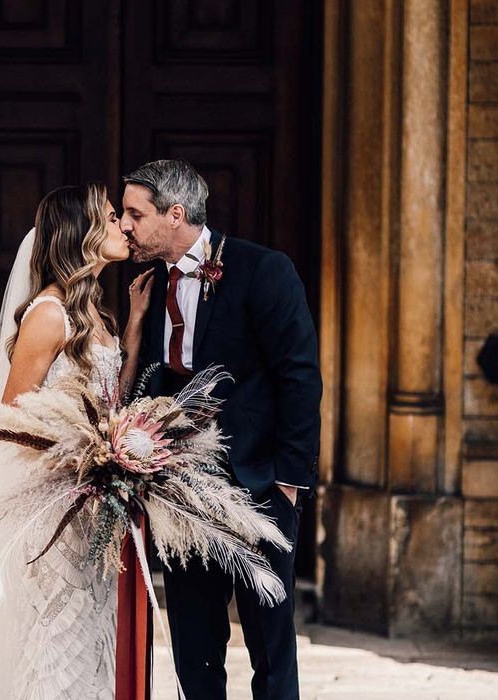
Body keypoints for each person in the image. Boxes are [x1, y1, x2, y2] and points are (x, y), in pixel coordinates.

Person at [121, 159, 322, 700]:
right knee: (194, 639)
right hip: (180, 486)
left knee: (269, 640)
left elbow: (299, 375)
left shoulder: (263, 269)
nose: (124, 225)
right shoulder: (145, 284)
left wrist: (289, 481)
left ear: (175, 215)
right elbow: (154, 379)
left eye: (135, 213)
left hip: (258, 483)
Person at [0, 182, 153, 700]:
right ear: (82, 232)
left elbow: (110, 399)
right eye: (112, 218)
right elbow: (10, 420)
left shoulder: (95, 313)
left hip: (94, 510)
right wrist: (78, 454)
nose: (123, 226)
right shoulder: (49, 315)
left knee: (92, 636)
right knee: (56, 638)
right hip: (57, 509)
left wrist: (134, 328)